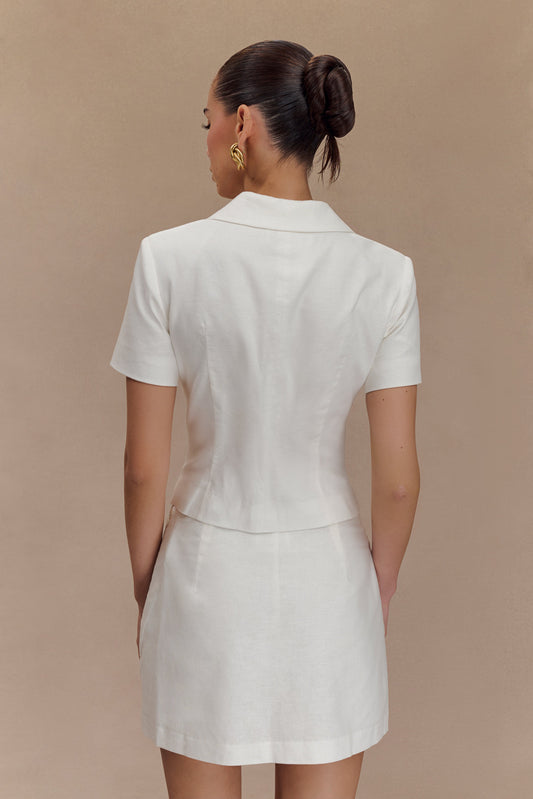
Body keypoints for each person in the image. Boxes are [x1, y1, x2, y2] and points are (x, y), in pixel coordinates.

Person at [110, 39, 421, 799]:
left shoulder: (167, 259)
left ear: (242, 125)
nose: (208, 140)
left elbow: (144, 467)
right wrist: (374, 589)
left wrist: (150, 590)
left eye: (208, 121)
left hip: (205, 577)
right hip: (330, 583)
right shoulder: (385, 274)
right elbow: (398, 481)